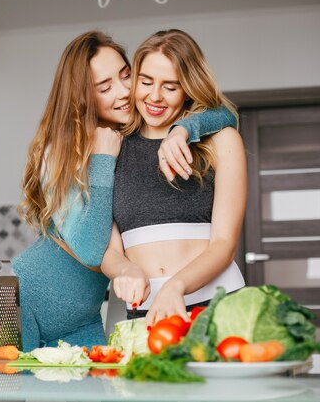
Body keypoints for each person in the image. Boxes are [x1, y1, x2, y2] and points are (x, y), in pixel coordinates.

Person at [13, 31, 237, 351]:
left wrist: (184, 128)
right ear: (82, 97)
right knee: (4, 390)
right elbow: (92, 250)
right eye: (105, 87)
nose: (123, 92)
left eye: (126, 76)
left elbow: (224, 115)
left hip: (84, 318)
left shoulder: (123, 134)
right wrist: (104, 159)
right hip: (25, 301)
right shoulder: (59, 152)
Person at [101, 29, 247, 327]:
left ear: (188, 88)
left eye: (170, 86)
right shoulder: (112, 146)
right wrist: (124, 271)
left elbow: (224, 243)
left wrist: (175, 286)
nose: (154, 96)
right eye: (145, 82)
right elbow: (109, 248)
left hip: (217, 305)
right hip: (143, 311)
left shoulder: (221, 141)